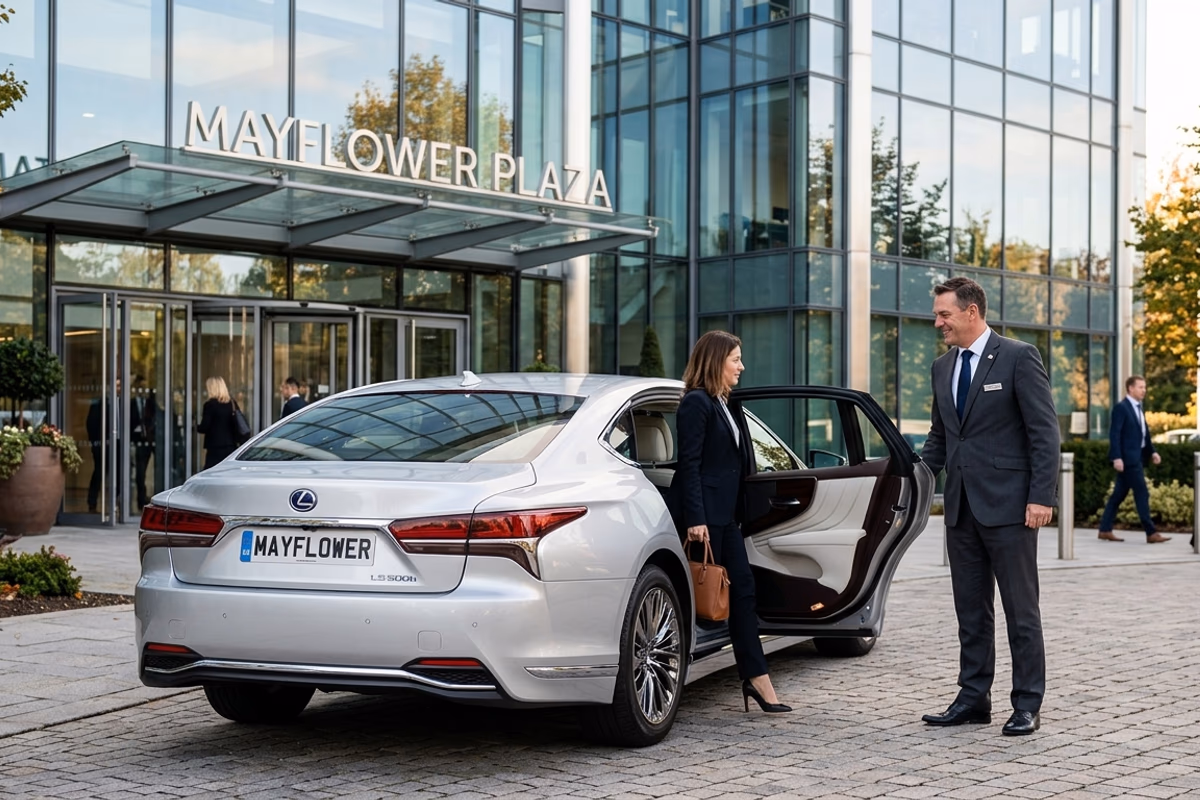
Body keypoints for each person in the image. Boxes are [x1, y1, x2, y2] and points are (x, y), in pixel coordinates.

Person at [919, 277, 1060, 737]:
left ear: (972, 311)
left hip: (1012, 509)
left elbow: (1044, 432)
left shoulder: (1019, 357)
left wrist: (1042, 496)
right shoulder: (942, 368)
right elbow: (941, 438)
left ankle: (1026, 704)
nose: (938, 322)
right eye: (938, 314)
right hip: (960, 509)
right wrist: (913, 477)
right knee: (970, 611)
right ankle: (973, 698)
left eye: (945, 314)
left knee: (1022, 610)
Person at [668, 330, 791, 714]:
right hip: (705, 518)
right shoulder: (696, 404)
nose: (742, 366)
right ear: (716, 360)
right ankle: (746, 677)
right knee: (711, 594)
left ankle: (756, 678)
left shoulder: (725, 402)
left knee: (743, 591)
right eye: (735, 359)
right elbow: (688, 464)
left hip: (727, 516)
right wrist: (696, 520)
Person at [1097, 376, 1169, 544]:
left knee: (1118, 496)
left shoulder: (1138, 408)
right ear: (1130, 388)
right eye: (1140, 387)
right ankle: (1151, 532)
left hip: (1136, 458)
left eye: (1145, 387)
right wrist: (1116, 457)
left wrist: (1153, 452)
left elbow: (1144, 434)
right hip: (1129, 461)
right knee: (1142, 493)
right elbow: (1115, 434)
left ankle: (1104, 529)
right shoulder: (1121, 408)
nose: (1144, 390)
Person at [85, 376, 122, 513]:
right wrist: (96, 443)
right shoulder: (99, 404)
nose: (118, 389)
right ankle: (92, 502)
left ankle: (117, 502)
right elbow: (91, 424)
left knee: (119, 473)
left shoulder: (124, 403)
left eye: (120, 386)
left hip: (119, 444)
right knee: (99, 472)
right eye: (116, 386)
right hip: (103, 445)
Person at [129, 373, 159, 510]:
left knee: (157, 469)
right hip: (137, 441)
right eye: (140, 387)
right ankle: (141, 499)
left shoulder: (151, 403)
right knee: (140, 472)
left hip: (151, 440)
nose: (142, 389)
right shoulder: (130, 404)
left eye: (144, 387)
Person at [197, 376, 238, 470]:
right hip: (231, 445)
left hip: (215, 447)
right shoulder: (232, 403)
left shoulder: (210, 405)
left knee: (211, 472)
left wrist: (195, 426)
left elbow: (204, 427)